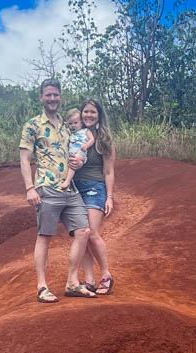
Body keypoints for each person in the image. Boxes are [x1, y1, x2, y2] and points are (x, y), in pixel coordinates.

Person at [19, 79, 95, 303]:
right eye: (48, 95)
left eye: (56, 95)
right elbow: (24, 158)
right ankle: (42, 286)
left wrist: (79, 164)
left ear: (60, 97)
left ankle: (72, 282)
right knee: (45, 236)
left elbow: (74, 150)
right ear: (41, 97)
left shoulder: (66, 125)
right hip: (47, 187)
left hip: (70, 188)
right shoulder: (32, 125)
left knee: (83, 232)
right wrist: (30, 188)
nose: (53, 99)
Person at [73, 98, 116, 296]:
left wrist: (109, 197)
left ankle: (106, 274)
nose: (88, 115)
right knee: (81, 234)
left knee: (91, 232)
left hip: (94, 188)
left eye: (93, 112)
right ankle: (89, 279)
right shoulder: (75, 136)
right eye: (85, 111)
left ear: (99, 116)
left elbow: (109, 171)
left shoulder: (104, 141)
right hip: (74, 189)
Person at [59, 108, 95, 190]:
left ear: (81, 123)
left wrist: (86, 145)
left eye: (76, 123)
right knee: (69, 162)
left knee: (74, 161)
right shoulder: (71, 133)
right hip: (72, 153)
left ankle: (67, 181)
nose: (73, 125)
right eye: (70, 123)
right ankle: (68, 181)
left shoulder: (85, 131)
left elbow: (92, 139)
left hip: (81, 154)